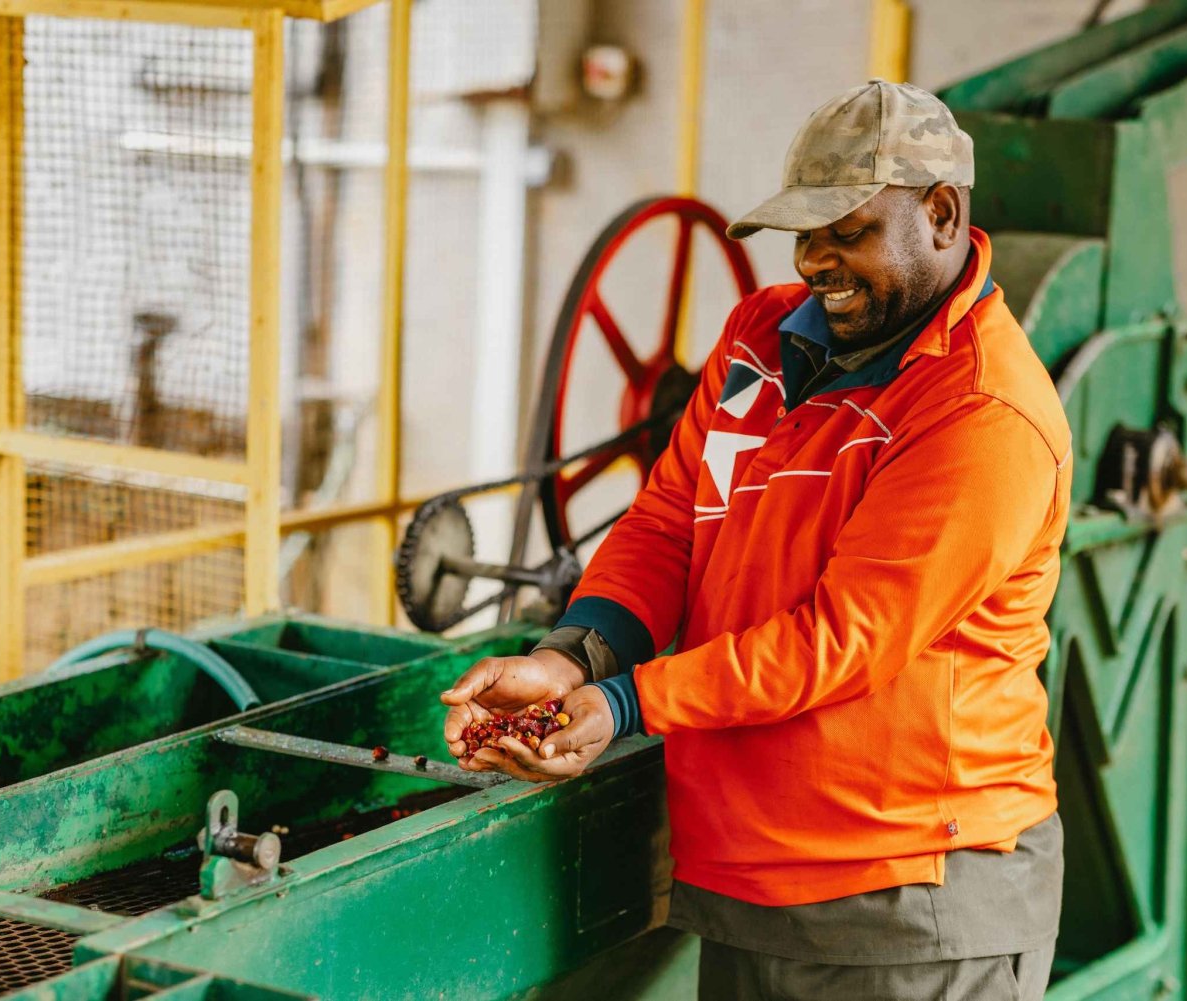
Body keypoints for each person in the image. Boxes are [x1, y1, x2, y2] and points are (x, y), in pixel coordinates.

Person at [441, 80, 1071, 1001]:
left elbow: (841, 638)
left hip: (909, 903)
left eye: (846, 231)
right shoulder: (757, 341)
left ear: (940, 214)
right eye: (802, 233)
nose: (816, 260)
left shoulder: (979, 411)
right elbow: (667, 521)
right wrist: (574, 656)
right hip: (747, 882)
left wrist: (625, 703)